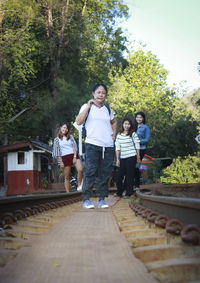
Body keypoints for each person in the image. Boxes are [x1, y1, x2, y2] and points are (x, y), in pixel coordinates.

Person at [76, 83, 117, 209]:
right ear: (93, 94)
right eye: (98, 92)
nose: (101, 95)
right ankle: (86, 199)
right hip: (92, 144)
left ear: (105, 95)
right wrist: (88, 106)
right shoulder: (86, 106)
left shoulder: (107, 109)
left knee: (104, 173)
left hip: (108, 146)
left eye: (103, 92)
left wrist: (113, 135)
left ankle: (101, 199)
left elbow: (114, 121)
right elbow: (78, 121)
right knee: (90, 171)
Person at [52, 123, 83, 192]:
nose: (65, 129)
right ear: (60, 128)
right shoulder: (57, 139)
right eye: (64, 127)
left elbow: (75, 147)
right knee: (67, 177)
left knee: (80, 170)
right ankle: (68, 192)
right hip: (65, 157)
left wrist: (75, 157)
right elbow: (56, 151)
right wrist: (61, 162)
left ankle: (79, 186)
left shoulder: (70, 137)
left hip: (73, 155)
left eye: (66, 128)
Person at [115, 118, 140, 197]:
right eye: (125, 124)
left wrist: (138, 157)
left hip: (132, 156)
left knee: (130, 175)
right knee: (119, 176)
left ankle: (129, 193)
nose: (127, 125)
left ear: (130, 125)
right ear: (123, 124)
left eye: (128, 124)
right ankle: (119, 192)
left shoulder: (133, 134)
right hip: (122, 158)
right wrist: (117, 159)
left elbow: (137, 145)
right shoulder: (119, 135)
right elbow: (117, 148)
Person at [134, 112, 150, 190]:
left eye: (140, 117)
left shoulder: (145, 127)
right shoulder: (133, 126)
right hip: (132, 149)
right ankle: (132, 184)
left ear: (143, 118)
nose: (138, 119)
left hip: (141, 149)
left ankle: (137, 185)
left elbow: (147, 139)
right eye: (137, 117)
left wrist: (138, 141)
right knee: (132, 166)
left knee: (137, 166)